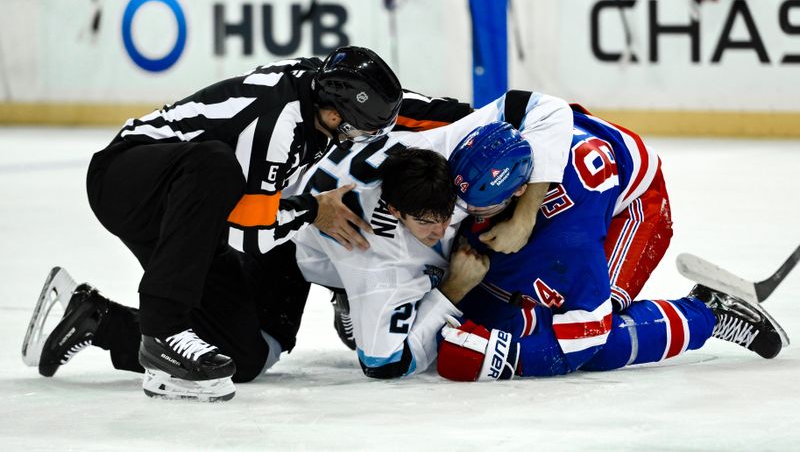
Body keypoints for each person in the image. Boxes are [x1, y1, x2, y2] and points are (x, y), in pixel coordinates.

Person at [23, 46, 406, 401]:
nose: (360, 138)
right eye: (361, 130)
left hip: (194, 207)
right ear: (336, 115)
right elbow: (251, 237)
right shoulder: (276, 125)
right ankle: (163, 331)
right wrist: (312, 210)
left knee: (243, 355)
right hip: (126, 180)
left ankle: (98, 320)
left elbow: (252, 216)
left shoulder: (319, 90)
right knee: (216, 166)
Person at [435, 115, 789, 381]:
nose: (463, 216)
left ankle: (707, 312)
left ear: (518, 192)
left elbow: (583, 338)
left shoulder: (569, 233)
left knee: (600, 339)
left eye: (478, 207)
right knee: (486, 295)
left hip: (632, 205)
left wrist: (509, 358)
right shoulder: (474, 146)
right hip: (578, 177)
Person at [293, 89, 574, 377]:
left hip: (336, 173)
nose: (439, 231)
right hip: (300, 248)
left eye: (448, 214)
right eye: (426, 222)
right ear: (394, 211)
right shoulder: (380, 261)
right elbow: (384, 364)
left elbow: (548, 108)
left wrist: (524, 217)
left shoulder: (445, 150)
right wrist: (454, 288)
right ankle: (344, 292)